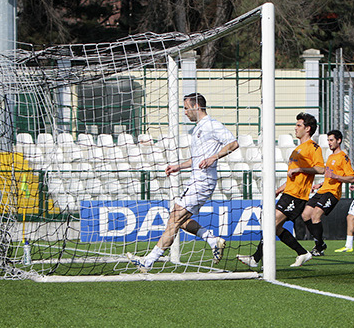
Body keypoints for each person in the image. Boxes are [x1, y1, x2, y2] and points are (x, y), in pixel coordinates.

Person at [129, 93, 239, 272]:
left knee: (174, 218)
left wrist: (214, 157)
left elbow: (233, 143)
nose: (185, 112)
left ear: (197, 107)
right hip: (195, 180)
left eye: (187, 108)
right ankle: (212, 240)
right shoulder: (198, 128)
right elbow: (197, 159)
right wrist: (179, 166)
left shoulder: (212, 125)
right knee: (180, 221)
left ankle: (148, 261)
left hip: (202, 182)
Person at [236, 112, 325, 268]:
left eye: (299, 125)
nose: (295, 128)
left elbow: (320, 169)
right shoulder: (298, 149)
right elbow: (293, 176)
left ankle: (256, 259)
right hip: (288, 193)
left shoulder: (313, 147)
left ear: (308, 128)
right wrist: (279, 189)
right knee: (275, 227)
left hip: (297, 196)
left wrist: (301, 169)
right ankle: (302, 253)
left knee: (271, 223)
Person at [301, 130, 354, 256]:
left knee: (315, 215)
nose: (329, 143)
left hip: (332, 193)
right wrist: (320, 184)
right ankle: (320, 243)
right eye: (328, 140)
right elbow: (329, 176)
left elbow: (352, 178)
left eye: (331, 140)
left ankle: (319, 247)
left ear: (339, 140)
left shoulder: (343, 157)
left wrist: (336, 176)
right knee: (305, 215)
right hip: (323, 189)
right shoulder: (330, 157)